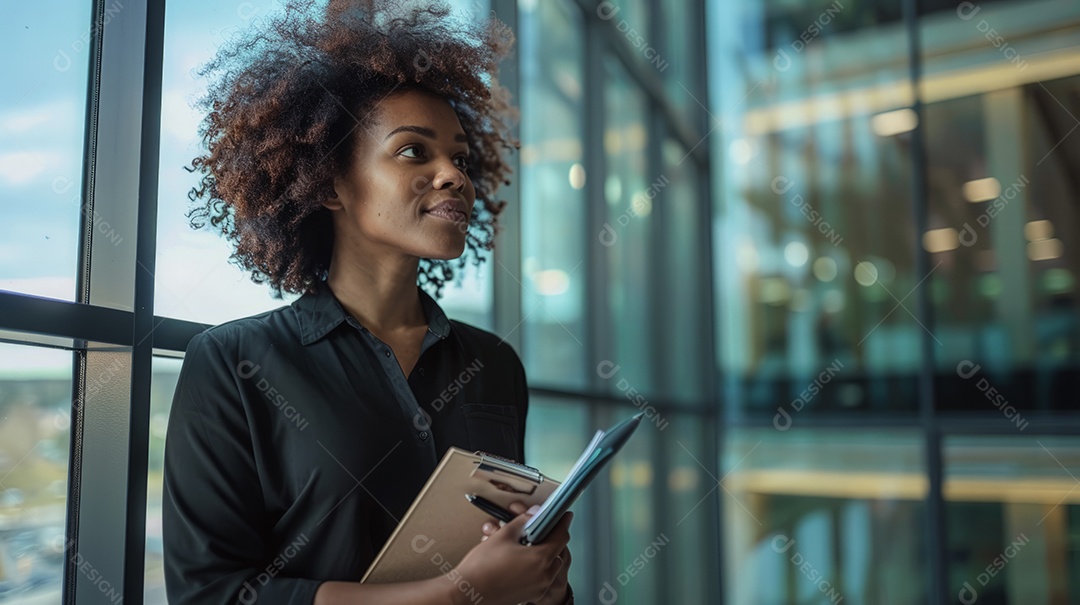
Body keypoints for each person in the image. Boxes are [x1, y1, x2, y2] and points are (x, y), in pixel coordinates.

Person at [162, 1, 573, 603]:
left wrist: (542, 580)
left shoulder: (494, 364)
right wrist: (460, 590)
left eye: (459, 158)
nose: (455, 175)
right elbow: (212, 594)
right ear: (330, 183)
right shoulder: (232, 362)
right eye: (415, 151)